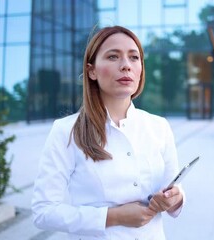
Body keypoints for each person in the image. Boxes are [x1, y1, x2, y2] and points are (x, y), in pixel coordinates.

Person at [31, 25, 184, 240]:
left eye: (134, 57)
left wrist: (175, 198)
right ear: (91, 70)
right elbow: (43, 211)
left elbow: (173, 190)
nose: (126, 66)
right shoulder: (66, 131)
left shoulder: (159, 126)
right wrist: (112, 217)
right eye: (113, 57)